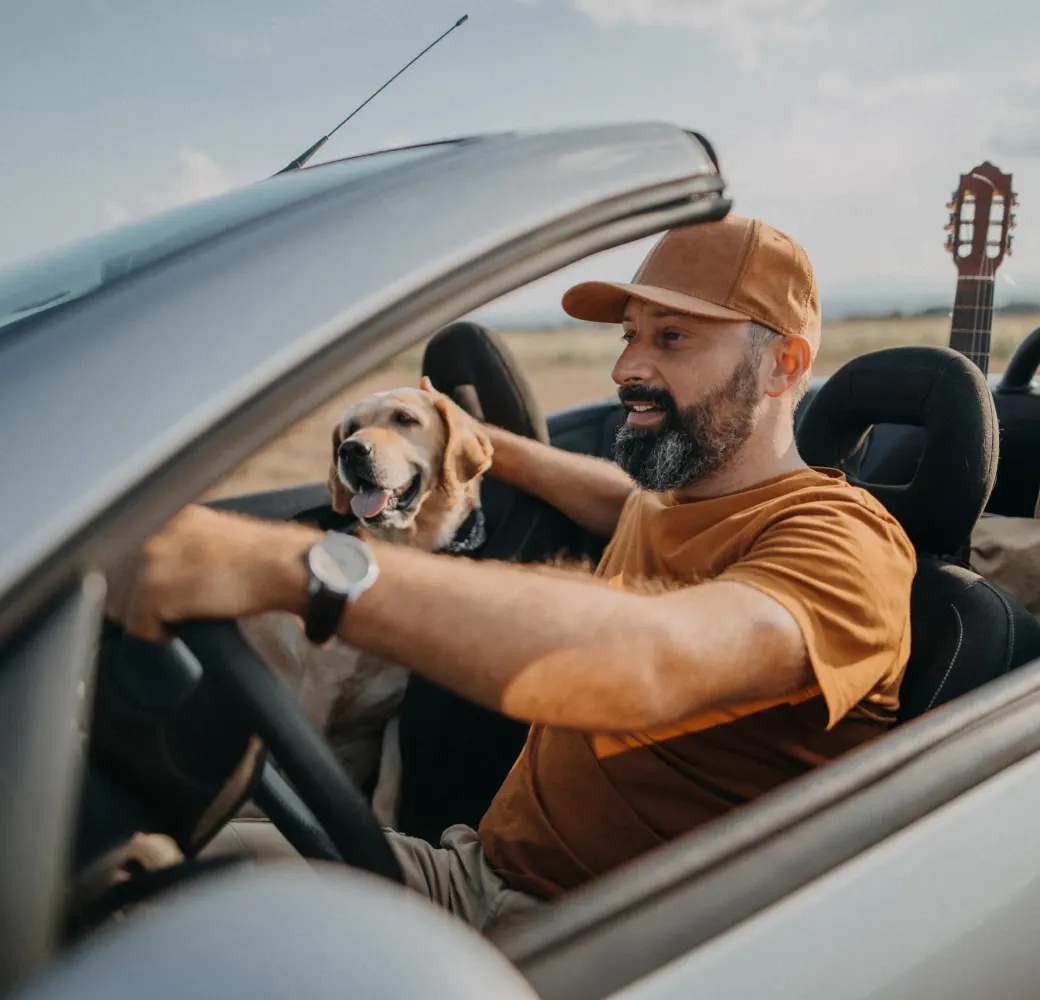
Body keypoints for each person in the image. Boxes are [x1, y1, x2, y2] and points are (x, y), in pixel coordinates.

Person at [108, 214, 917, 931]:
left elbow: (653, 657)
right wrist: (480, 438)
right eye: (627, 335)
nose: (626, 367)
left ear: (784, 366)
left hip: (587, 933)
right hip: (470, 871)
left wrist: (291, 564)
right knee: (137, 861)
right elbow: (618, 499)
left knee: (166, 919)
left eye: (670, 338)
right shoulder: (675, 497)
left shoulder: (842, 543)